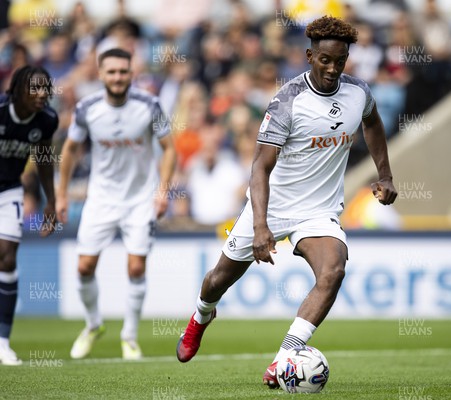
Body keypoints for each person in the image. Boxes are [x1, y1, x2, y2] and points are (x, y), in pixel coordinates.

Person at [176, 16, 398, 389]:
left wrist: (386, 175)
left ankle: (283, 360)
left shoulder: (358, 92)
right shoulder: (287, 101)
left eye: (340, 61)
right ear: (310, 56)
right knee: (218, 280)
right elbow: (260, 168)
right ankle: (200, 317)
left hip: (319, 210)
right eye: (324, 60)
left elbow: (372, 122)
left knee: (333, 270)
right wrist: (261, 226)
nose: (332, 68)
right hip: (271, 204)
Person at [56, 48, 176, 360]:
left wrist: (162, 191)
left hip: (139, 200)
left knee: (135, 266)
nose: (118, 77)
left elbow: (169, 149)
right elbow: (69, 149)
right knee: (84, 266)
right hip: (101, 198)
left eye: (123, 71)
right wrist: (61, 194)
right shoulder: (87, 109)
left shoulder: (149, 105)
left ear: (131, 73)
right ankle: (93, 324)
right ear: (100, 75)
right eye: (111, 72)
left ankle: (130, 337)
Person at [0, 65, 59, 365]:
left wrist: (51, 200)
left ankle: (3, 342)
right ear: (17, 89)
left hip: (10, 189)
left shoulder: (47, 120)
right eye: (34, 88)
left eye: (45, 88)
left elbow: (44, 158)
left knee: (7, 257)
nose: (41, 94)